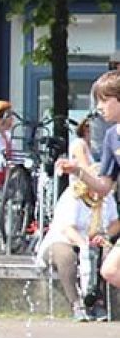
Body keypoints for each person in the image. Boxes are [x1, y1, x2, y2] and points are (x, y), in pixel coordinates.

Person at [37, 116, 118, 321]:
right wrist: (84, 243)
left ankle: (97, 302)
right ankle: (76, 304)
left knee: (103, 254)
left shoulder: (105, 197)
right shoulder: (74, 196)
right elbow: (67, 228)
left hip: (90, 241)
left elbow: (115, 222)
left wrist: (104, 236)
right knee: (67, 257)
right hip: (64, 240)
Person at [60, 72, 120, 287]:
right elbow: (103, 187)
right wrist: (77, 171)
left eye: (104, 100)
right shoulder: (112, 136)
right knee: (111, 271)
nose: (99, 107)